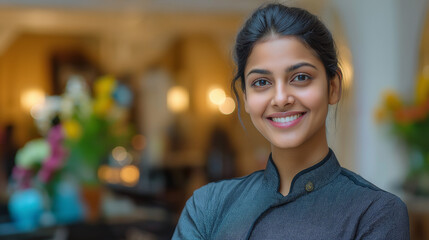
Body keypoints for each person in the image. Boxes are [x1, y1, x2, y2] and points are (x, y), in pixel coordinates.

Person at [172, 3, 410, 239]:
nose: (280, 99)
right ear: (245, 97)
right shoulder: (207, 206)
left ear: (333, 86)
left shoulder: (375, 212)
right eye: (261, 82)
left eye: (300, 77)